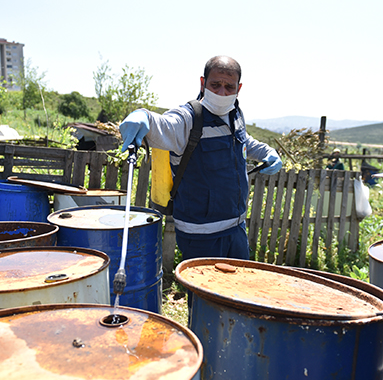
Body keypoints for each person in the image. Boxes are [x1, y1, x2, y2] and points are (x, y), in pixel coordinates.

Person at [119, 55, 282, 261]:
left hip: (236, 228)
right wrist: (142, 115)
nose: (222, 92)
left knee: (237, 292)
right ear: (203, 83)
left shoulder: (235, 114)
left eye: (229, 87)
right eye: (215, 85)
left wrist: (266, 152)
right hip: (201, 235)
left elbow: (243, 141)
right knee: (204, 294)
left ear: (239, 88)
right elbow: (163, 124)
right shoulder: (189, 119)